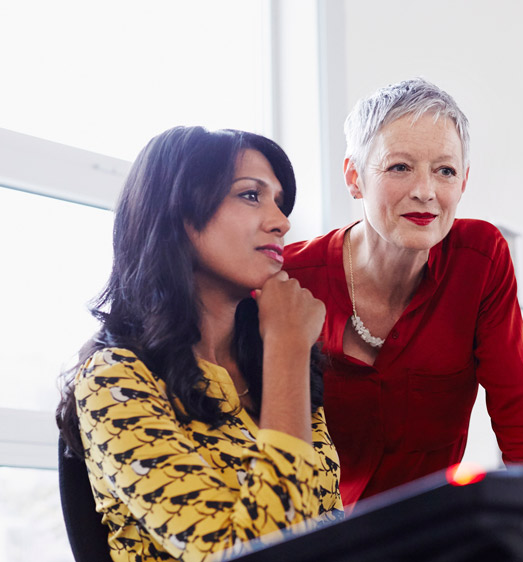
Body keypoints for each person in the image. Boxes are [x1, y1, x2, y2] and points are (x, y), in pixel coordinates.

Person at [55, 126, 342, 562]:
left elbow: (327, 529)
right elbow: (242, 554)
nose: (281, 222)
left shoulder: (271, 364)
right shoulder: (113, 379)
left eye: (279, 203)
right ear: (180, 214)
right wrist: (287, 347)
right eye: (251, 195)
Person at [283, 78, 523, 506]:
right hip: (314, 540)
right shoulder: (288, 280)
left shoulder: (480, 261)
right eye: (400, 167)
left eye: (445, 171)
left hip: (427, 537)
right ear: (354, 177)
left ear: (464, 181)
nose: (426, 191)